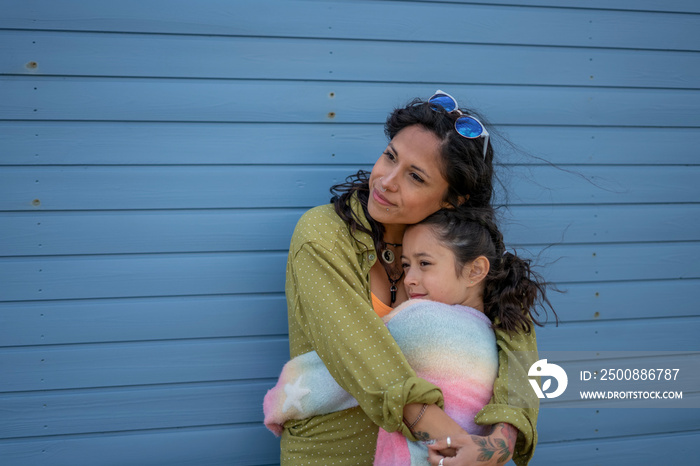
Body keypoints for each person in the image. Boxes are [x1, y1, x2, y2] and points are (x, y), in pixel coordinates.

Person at [276, 90, 548, 465]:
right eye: (390, 156)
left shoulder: (451, 248)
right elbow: (362, 355)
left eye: (415, 177)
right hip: (335, 453)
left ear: (452, 200)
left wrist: (496, 444)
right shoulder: (323, 234)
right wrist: (456, 442)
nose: (386, 181)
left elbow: (518, 343)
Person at [265, 207, 554, 466]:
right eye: (405, 265)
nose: (409, 278)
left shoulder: (423, 321)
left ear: (475, 270)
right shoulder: (492, 331)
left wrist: (282, 401)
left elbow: (352, 365)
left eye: (424, 264)